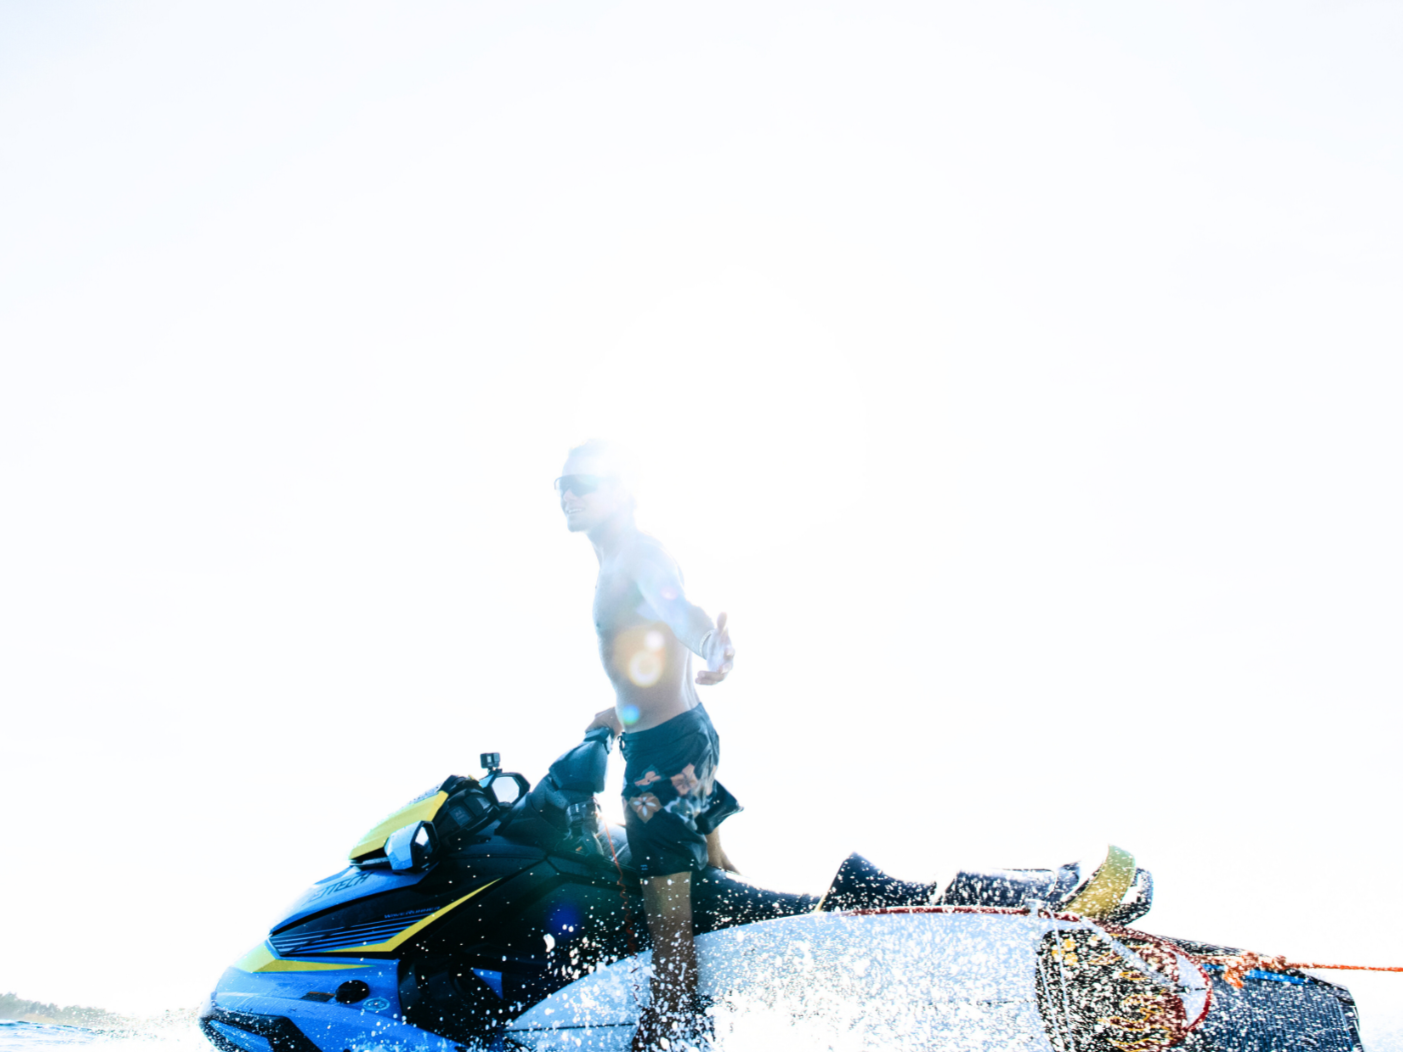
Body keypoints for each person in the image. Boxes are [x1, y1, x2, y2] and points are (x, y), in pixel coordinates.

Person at [556, 440, 738, 1051]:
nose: (569, 493)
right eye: (562, 484)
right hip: (678, 739)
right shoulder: (614, 559)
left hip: (665, 756)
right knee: (710, 881)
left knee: (669, 932)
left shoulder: (638, 554)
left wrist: (713, 645)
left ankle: (668, 1029)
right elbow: (649, 654)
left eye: (585, 482)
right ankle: (744, 974)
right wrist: (619, 713)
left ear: (621, 490)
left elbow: (679, 611)